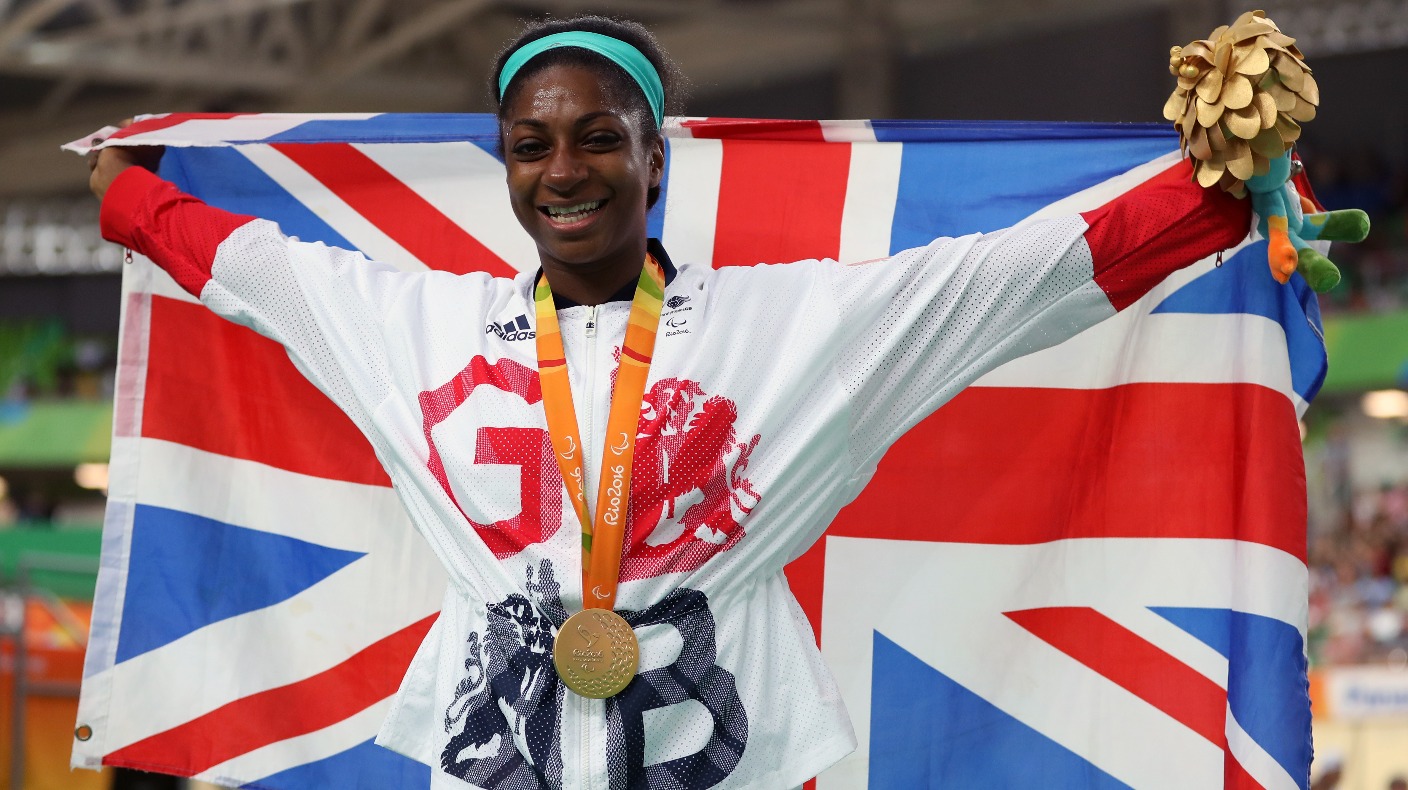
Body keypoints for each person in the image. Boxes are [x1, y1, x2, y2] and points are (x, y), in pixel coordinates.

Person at [88, 15, 1259, 790]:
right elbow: (247, 269)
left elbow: (1024, 277)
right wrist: (124, 194)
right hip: (494, 760)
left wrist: (1221, 186)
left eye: (599, 137)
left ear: (657, 159)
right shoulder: (414, 324)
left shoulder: (790, 325)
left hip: (724, 756)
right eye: (531, 144)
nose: (563, 170)